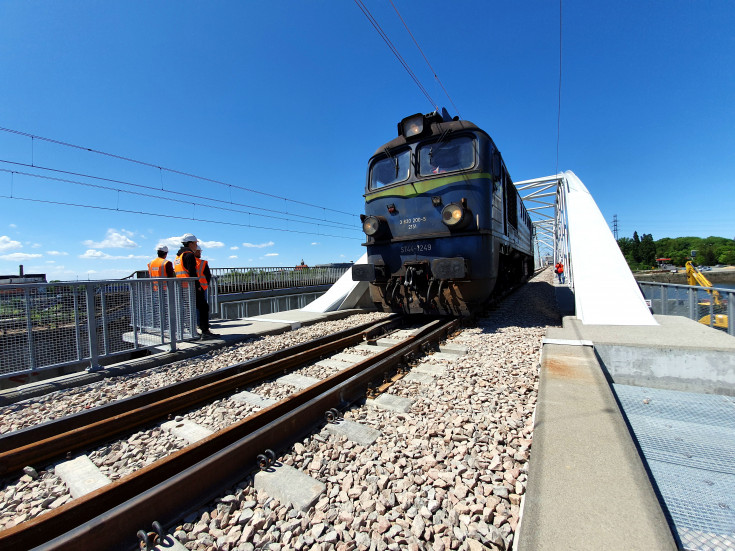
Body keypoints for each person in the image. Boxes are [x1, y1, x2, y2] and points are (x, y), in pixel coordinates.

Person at [175, 234, 216, 339]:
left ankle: (190, 331)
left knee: (189, 310)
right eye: (195, 243)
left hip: (182, 288)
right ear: (190, 243)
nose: (196, 245)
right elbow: (192, 273)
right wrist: (197, 286)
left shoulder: (178, 257)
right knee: (203, 307)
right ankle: (205, 332)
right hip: (191, 288)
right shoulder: (189, 255)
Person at [194, 245, 211, 329]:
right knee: (202, 307)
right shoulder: (202, 262)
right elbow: (208, 275)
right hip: (201, 288)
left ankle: (195, 323)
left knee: (193, 306)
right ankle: (201, 324)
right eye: (199, 251)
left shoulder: (185, 262)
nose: (200, 253)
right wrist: (205, 284)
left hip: (188, 288)